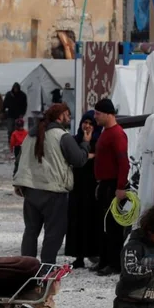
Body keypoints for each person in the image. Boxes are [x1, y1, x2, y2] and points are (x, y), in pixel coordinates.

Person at [13, 103, 88, 265]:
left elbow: (19, 159)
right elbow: (79, 160)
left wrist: (17, 183)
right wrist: (85, 143)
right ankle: (47, 267)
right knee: (54, 232)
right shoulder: (62, 136)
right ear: (59, 116)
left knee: (31, 231)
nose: (69, 118)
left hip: (31, 190)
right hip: (54, 191)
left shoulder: (31, 134)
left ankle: (26, 267)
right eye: (67, 115)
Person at [91, 98, 131, 276]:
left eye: (98, 113)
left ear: (108, 114)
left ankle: (114, 263)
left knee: (113, 226)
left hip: (113, 183)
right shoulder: (105, 132)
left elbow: (124, 162)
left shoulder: (117, 134)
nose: (95, 116)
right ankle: (104, 260)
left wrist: (120, 186)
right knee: (104, 224)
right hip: (105, 183)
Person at [66, 112, 101, 270]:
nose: (87, 126)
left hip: (93, 186)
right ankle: (78, 256)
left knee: (93, 220)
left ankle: (95, 253)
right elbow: (76, 159)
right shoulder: (75, 140)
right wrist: (86, 152)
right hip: (77, 187)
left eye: (90, 123)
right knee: (76, 220)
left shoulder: (99, 141)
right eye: (84, 122)